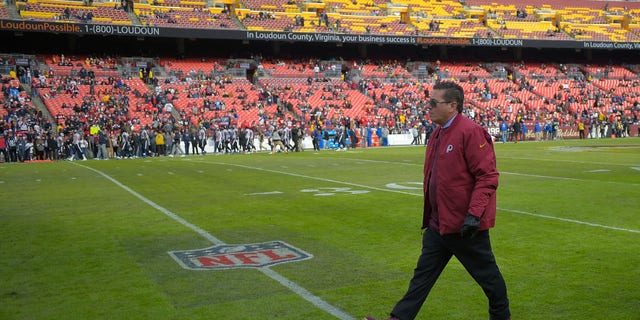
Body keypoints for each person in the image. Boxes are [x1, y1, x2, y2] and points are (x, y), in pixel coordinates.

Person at [366, 81, 510, 320]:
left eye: (434, 103)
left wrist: (474, 215)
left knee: (491, 283)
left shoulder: (470, 131)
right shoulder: (437, 133)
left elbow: (487, 176)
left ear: (453, 106)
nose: (428, 107)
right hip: (438, 224)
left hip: (465, 228)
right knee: (421, 279)